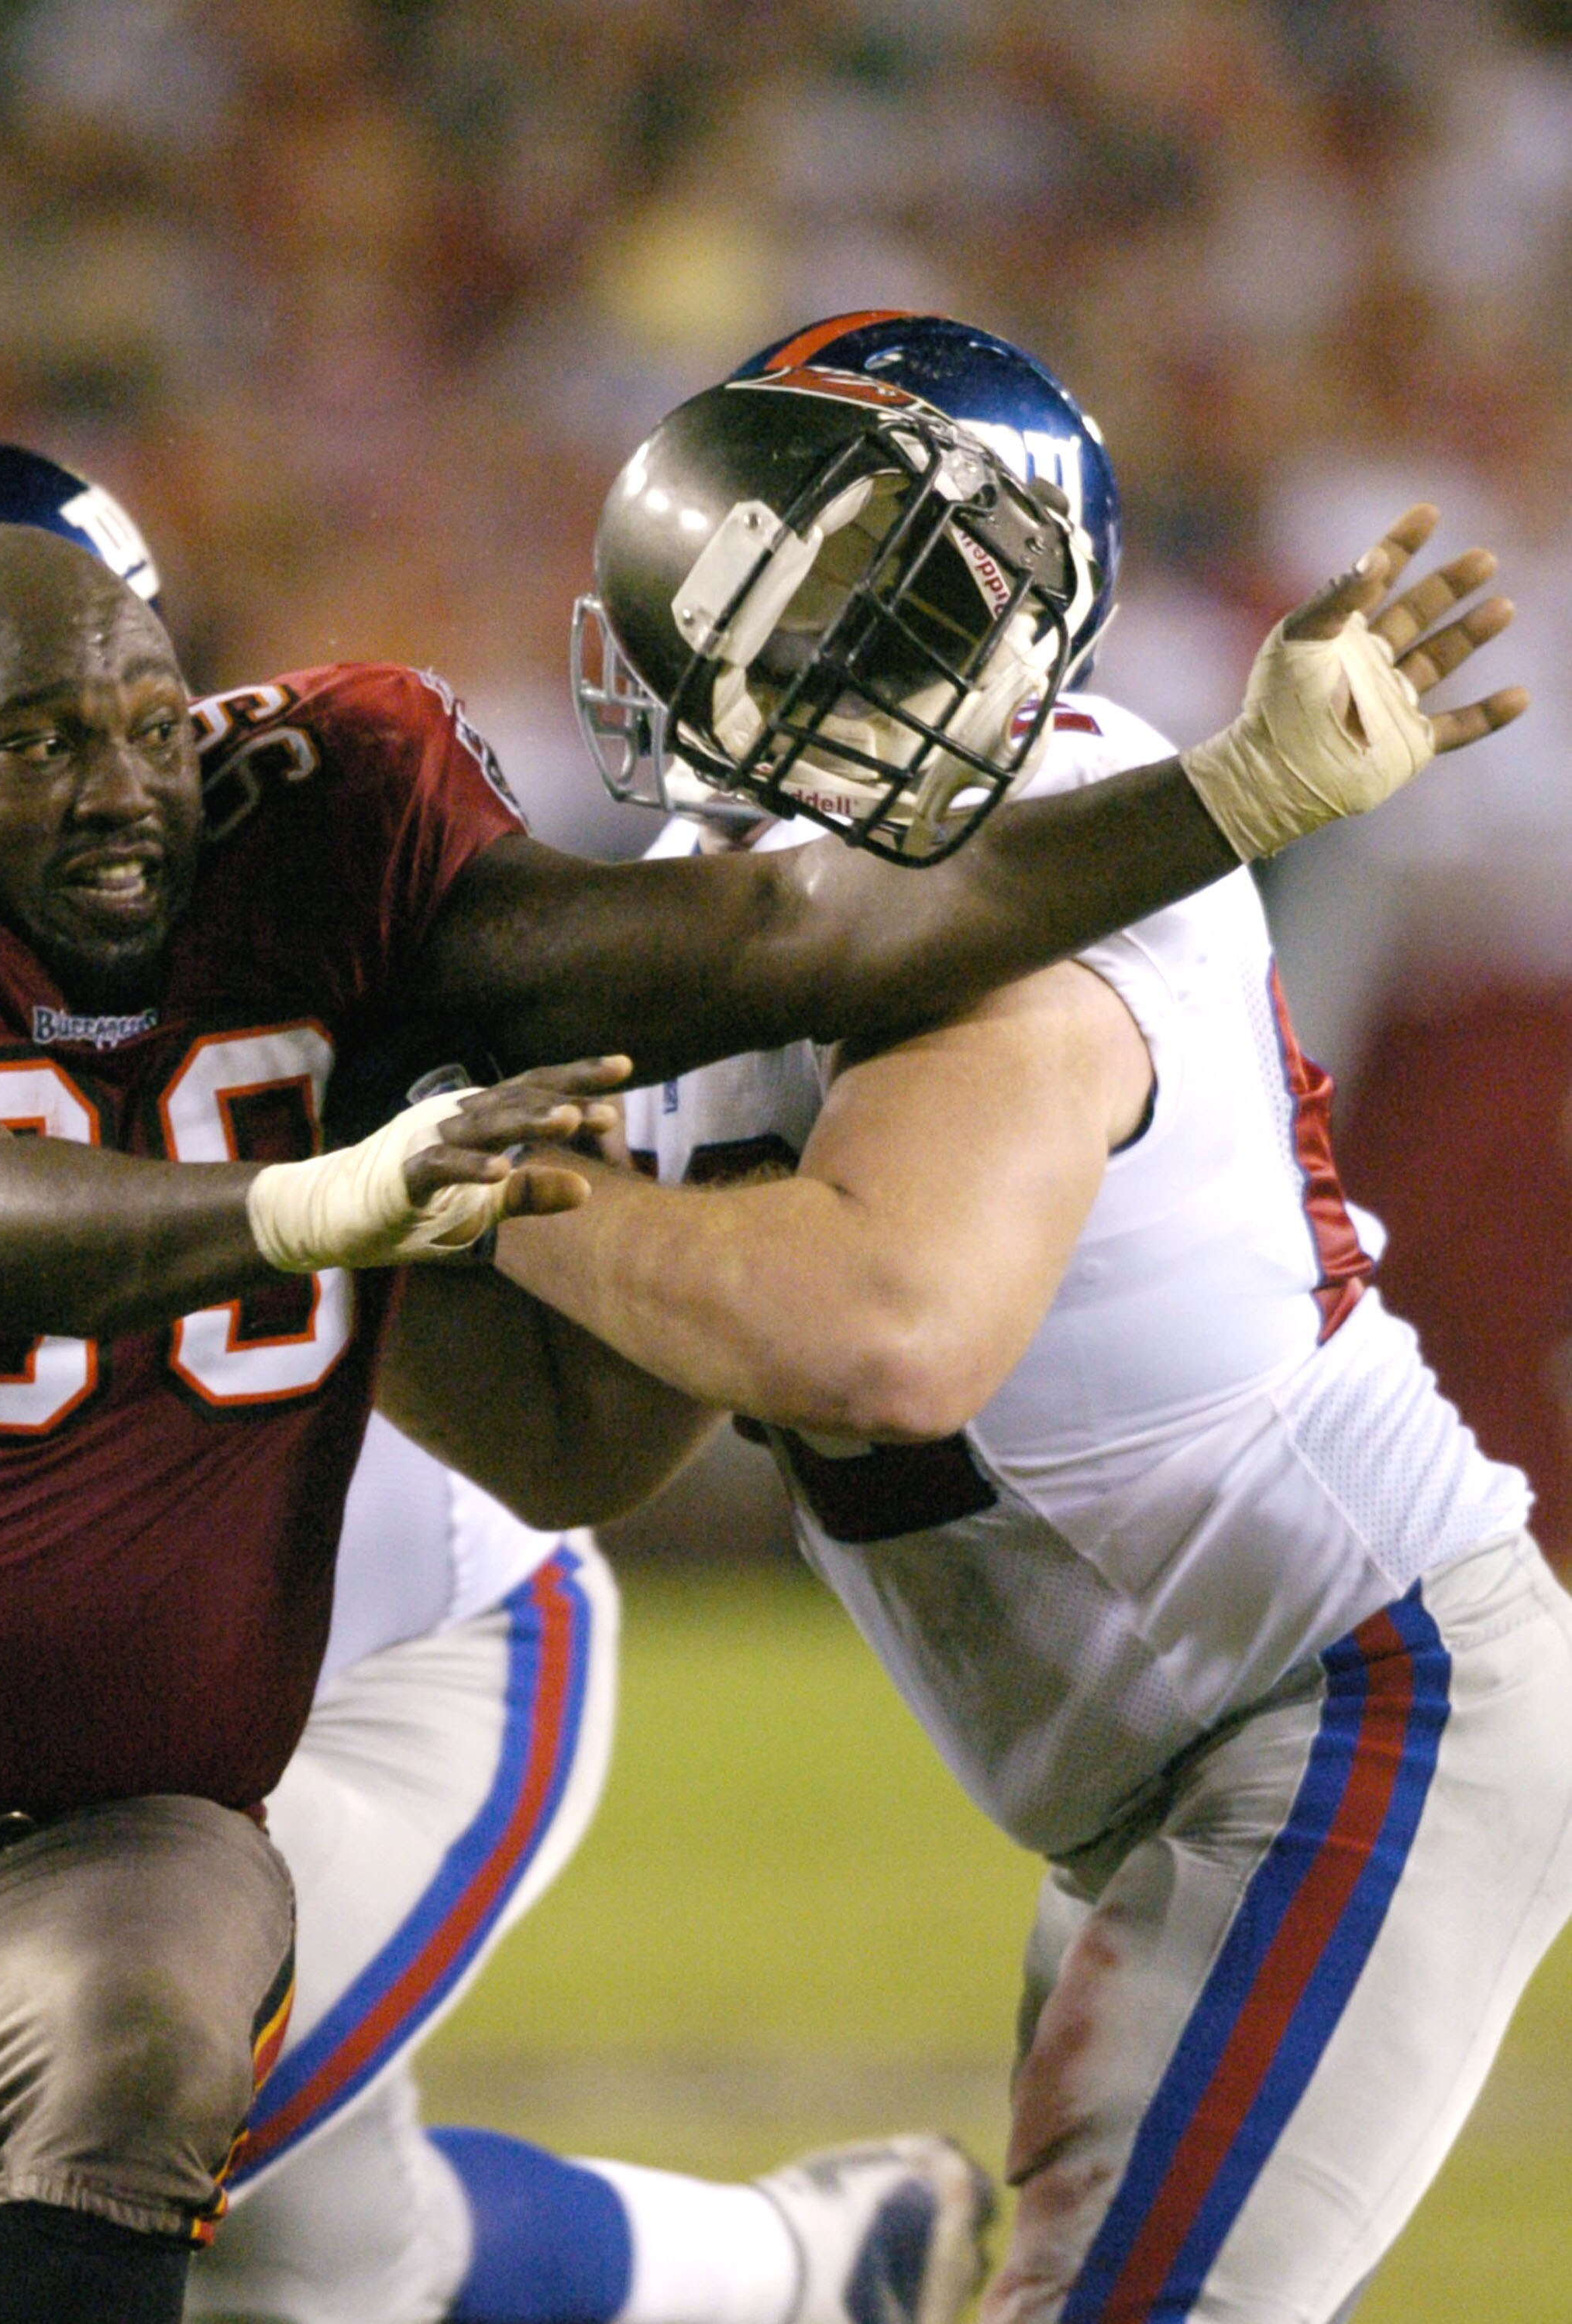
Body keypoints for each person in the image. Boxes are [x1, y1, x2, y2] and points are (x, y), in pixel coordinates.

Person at [0, 347, 1477, 2324]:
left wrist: (1246, 789)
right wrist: (310, 1203)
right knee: (339, 2260)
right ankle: (801, 2266)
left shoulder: (313, 827)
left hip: (368, 1667)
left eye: (133, 715)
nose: (103, 787)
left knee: (124, 2156)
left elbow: (805, 1223)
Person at [494, 313, 1571, 2324]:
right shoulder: (733, 872)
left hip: (1351, 1706)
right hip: (1169, 1769)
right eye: (762, 570)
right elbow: (591, 1438)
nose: (779, 628)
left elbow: (884, 1335)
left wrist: (515, 1197)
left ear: (1014, 610)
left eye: (852, 580)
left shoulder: (1049, 862)